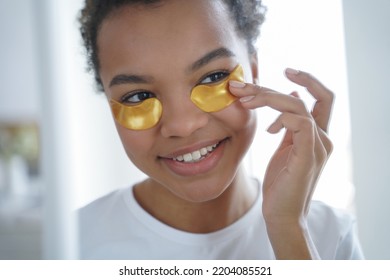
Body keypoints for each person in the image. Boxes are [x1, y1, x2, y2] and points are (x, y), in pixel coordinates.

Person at [77, 0, 364, 259]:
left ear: (254, 70)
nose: (183, 125)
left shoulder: (331, 238)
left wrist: (289, 228)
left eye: (213, 76)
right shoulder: (70, 246)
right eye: (138, 97)